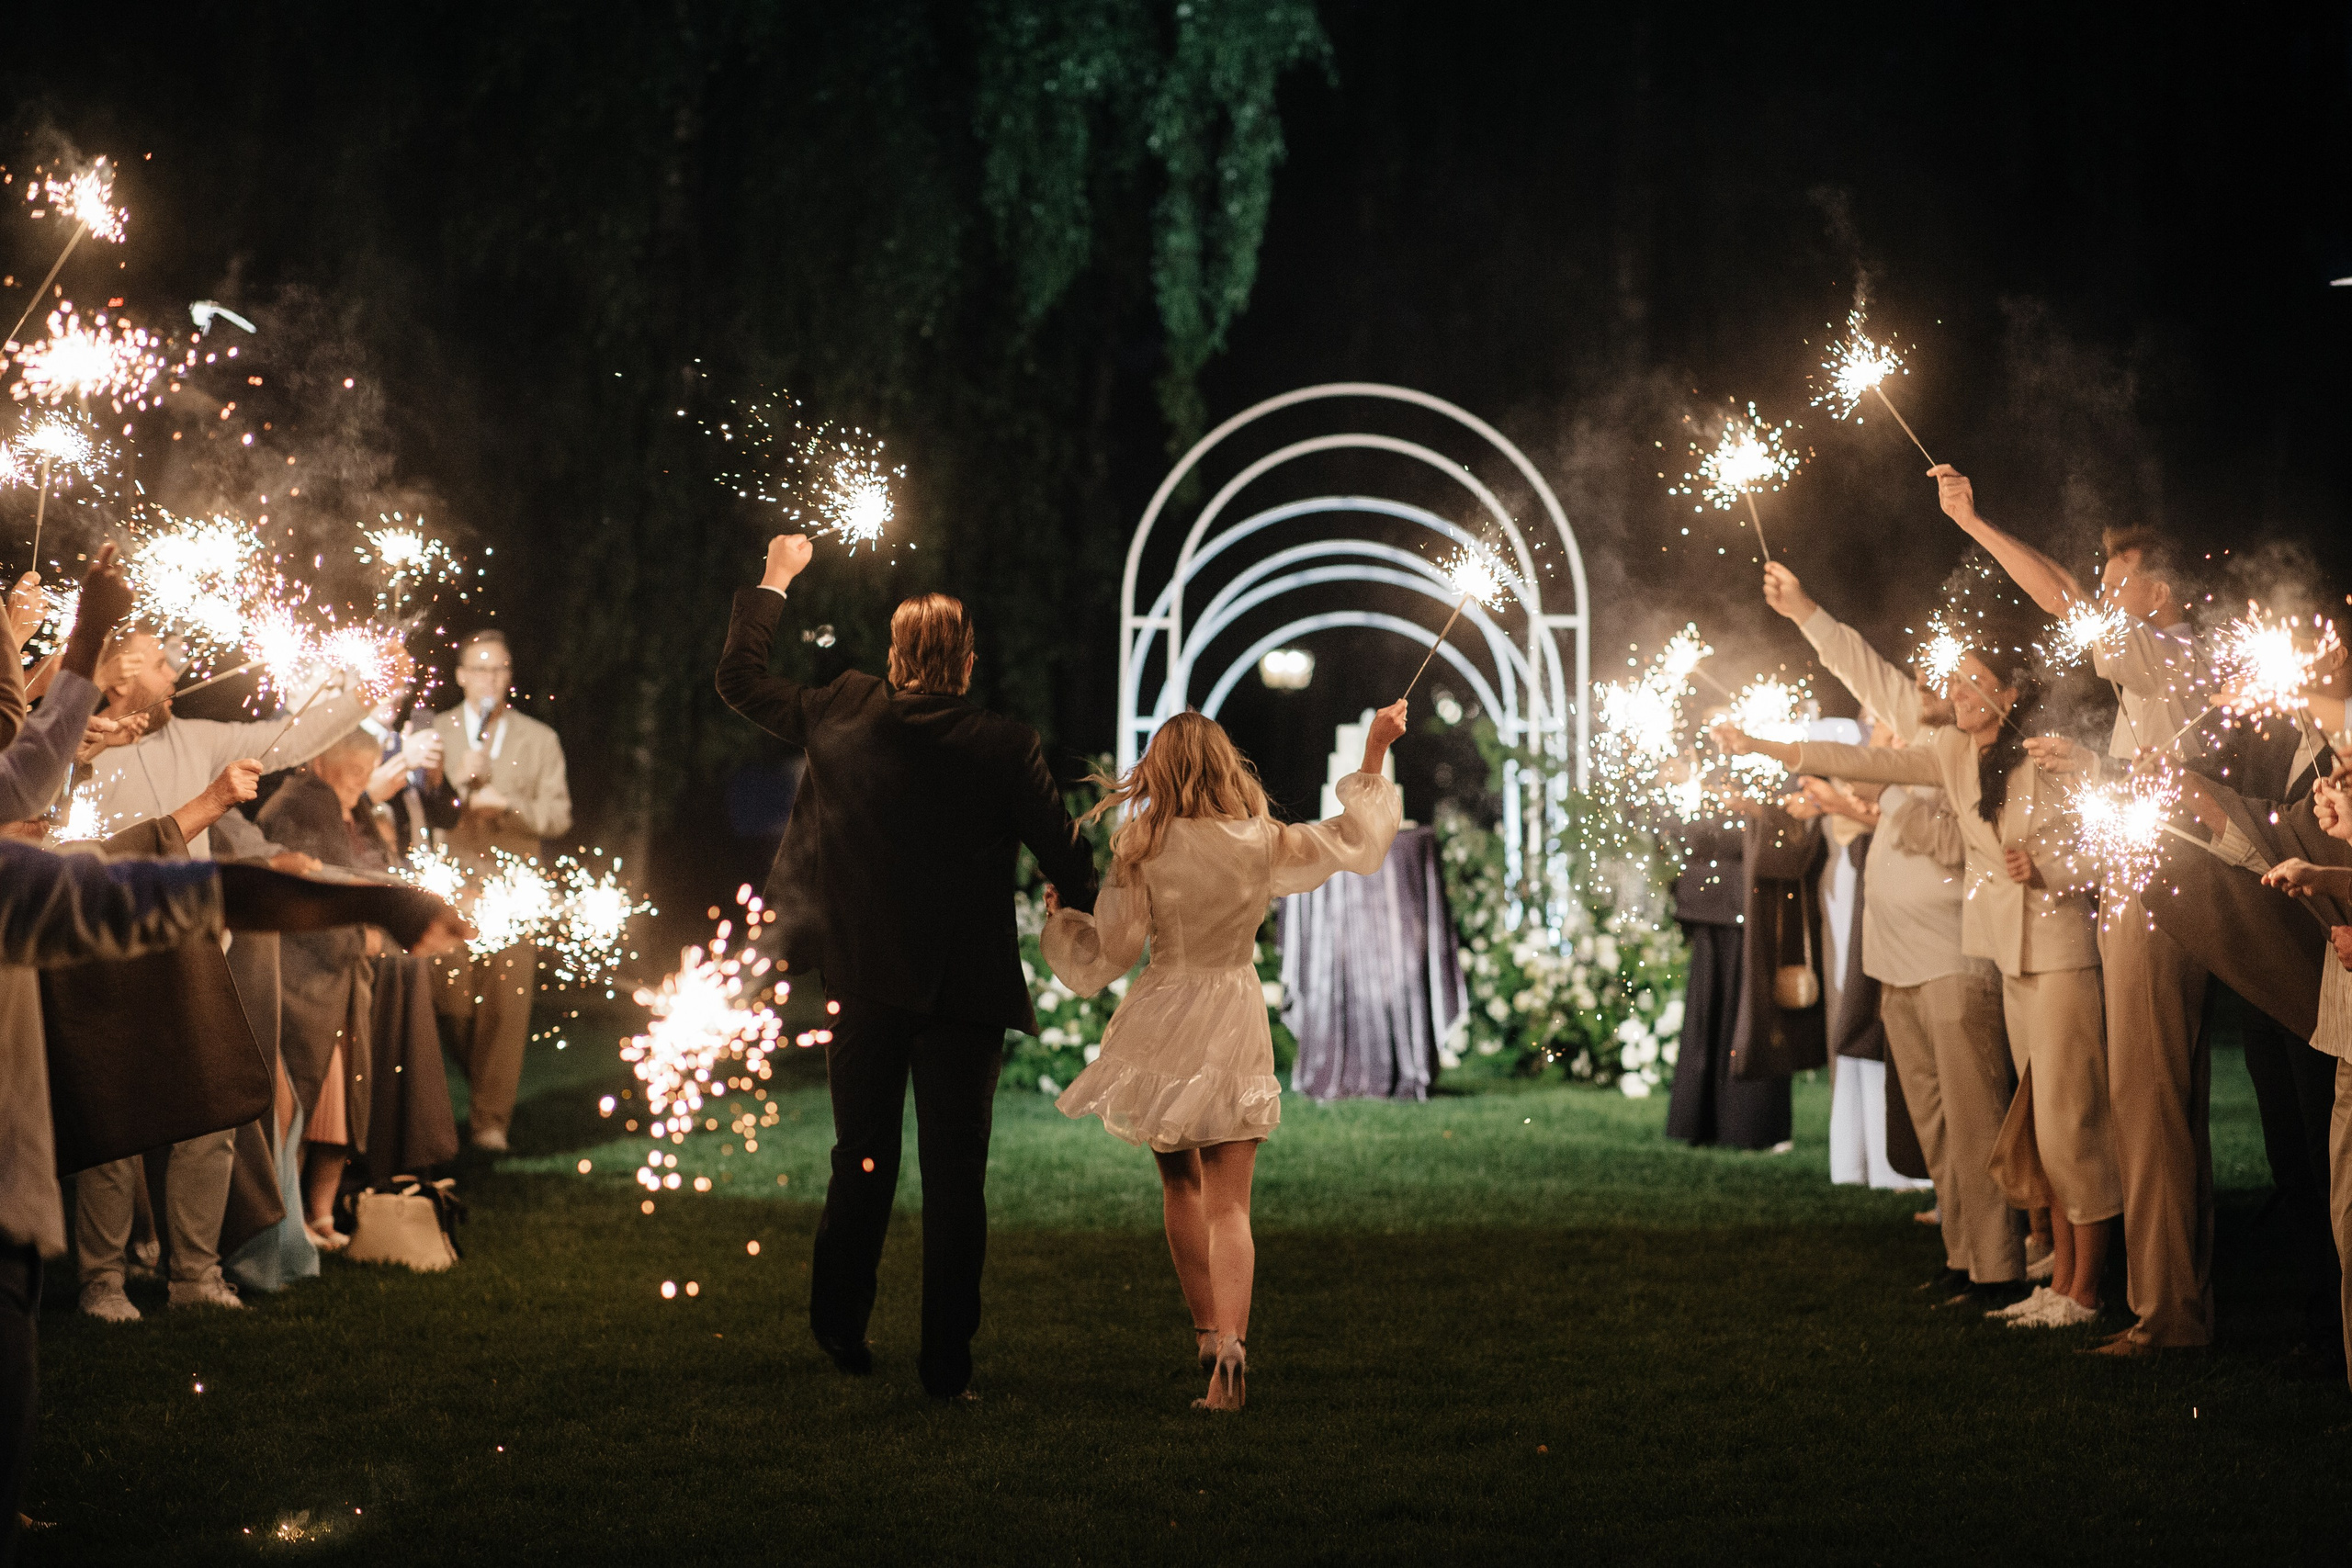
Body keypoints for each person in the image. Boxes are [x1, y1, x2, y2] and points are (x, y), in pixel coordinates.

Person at [715, 534, 1101, 1400]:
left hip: (864, 982)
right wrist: (1066, 889)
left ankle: (841, 1326)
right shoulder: (1006, 744)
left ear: (895, 657)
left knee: (861, 1157)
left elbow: (738, 679)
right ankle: (946, 1367)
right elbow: (1070, 858)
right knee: (956, 1182)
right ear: (967, 662)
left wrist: (776, 576)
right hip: (964, 993)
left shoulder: (841, 710)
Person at [1716, 637, 2117, 1330]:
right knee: (2042, 1129)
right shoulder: (1955, 754)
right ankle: (2058, 1281)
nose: (1957, 692)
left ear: (2011, 693)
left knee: (2068, 1123)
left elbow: (2103, 836)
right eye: (1955, 681)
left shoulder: (2044, 754)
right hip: (2006, 952)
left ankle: (2084, 1288)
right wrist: (1764, 745)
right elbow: (1868, 762)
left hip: (2056, 950)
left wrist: (2049, 864)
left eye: (1974, 681)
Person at [1040, 704, 1406, 1412]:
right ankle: (1231, 1347)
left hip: (1164, 1016)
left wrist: (1062, 920)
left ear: (1161, 769)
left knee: (1181, 1185)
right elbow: (1351, 838)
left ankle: (1207, 1331)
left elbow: (1113, 952)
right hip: (1234, 1011)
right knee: (1231, 1203)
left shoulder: (1142, 843)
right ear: (1224, 765)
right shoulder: (1261, 839)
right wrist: (1374, 749)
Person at [1935, 464, 2214, 1358]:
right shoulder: (2150, 673)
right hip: (2140, 888)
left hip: (2158, 895)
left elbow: (2061, 596)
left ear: (2158, 593)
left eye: (2115, 581)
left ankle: (2165, 1314)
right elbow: (2070, 593)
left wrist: (1975, 525)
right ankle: (2160, 1299)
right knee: (2142, 1100)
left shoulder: (2171, 657)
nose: (2098, 596)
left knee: (2148, 1102)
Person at [71, 629, 378, 1316]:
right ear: (117, 676)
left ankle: (196, 1276)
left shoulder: (197, 737)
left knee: (209, 1112)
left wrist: (366, 687)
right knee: (113, 1121)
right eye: (158, 663)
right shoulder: (80, 749)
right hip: (111, 947)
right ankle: (102, 1280)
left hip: (196, 946)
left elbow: (292, 735)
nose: (175, 673)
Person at [1761, 562, 2022, 1301]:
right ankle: (1962, 1256)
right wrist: (1804, 610)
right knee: (1933, 1122)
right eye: (1936, 675)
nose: (1936, 685)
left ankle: (1999, 1265)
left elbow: (1955, 841)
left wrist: (1887, 804)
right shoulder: (1920, 726)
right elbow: (1859, 666)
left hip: (1954, 955)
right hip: (1894, 955)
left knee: (1974, 1118)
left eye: (1958, 677)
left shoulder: (1974, 756)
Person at [424, 630, 571, 1152]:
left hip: (514, 890)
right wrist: (450, 784)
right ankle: (484, 1087)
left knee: (506, 1008)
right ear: (460, 675)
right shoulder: (434, 731)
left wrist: (507, 804)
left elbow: (558, 815)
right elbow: (415, 804)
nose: (491, 678)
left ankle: (490, 1121)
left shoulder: (539, 738)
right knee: (451, 1004)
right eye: (480, 668)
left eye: (500, 668)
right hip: (450, 888)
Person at [258, 729, 397, 1249]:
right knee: (298, 1099)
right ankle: (282, 1219)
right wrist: (358, 937)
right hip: (302, 982)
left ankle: (317, 1214)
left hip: (339, 986)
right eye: (353, 771)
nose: (361, 783)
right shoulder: (298, 809)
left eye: (368, 773)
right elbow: (304, 897)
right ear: (320, 762)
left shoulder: (352, 813)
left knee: (335, 1105)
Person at [1662, 748, 1793, 1152]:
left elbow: (1782, 838)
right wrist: (1678, 796)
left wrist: (1751, 810)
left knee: (1749, 1013)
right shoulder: (1702, 775)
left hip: (1753, 909)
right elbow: (1684, 842)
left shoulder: (1772, 767)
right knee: (1708, 1011)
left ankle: (1752, 1125)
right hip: (1711, 910)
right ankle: (1701, 1121)